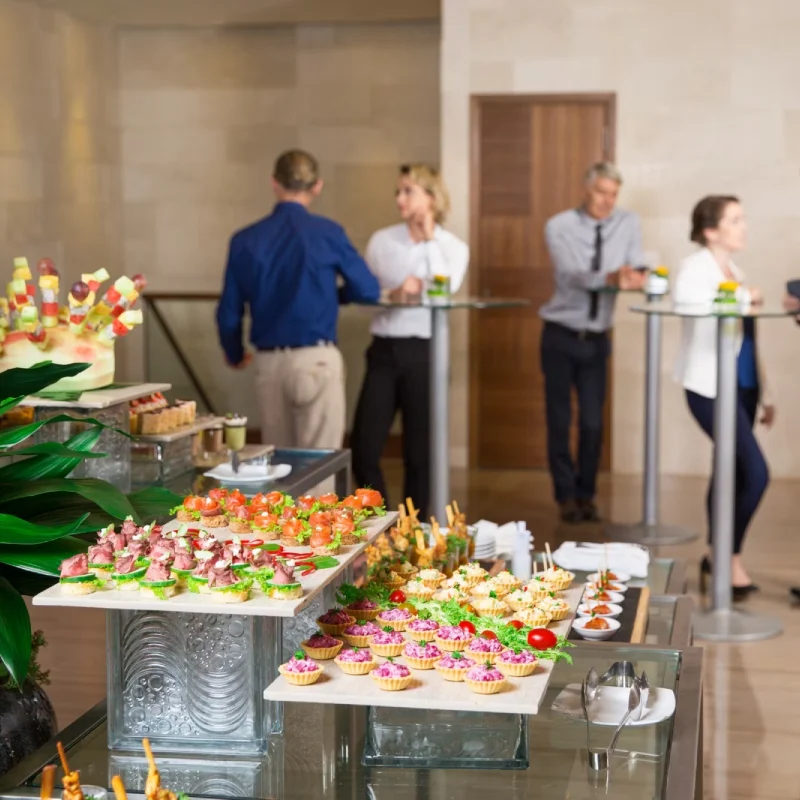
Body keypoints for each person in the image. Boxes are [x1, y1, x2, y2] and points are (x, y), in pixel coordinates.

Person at [216, 149, 380, 449]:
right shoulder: (328, 233)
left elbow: (229, 311)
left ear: (274, 183)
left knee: (279, 466)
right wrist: (334, 296)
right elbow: (368, 289)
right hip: (317, 359)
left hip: (269, 363)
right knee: (320, 466)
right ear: (317, 186)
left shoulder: (245, 239)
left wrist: (235, 352)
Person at [350, 164, 469, 517]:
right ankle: (380, 525)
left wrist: (430, 239)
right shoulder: (382, 240)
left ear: (430, 197)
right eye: (398, 191)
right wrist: (394, 293)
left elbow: (445, 290)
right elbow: (366, 294)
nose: (399, 198)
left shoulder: (452, 247)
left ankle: (413, 531)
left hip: (426, 352)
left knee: (421, 454)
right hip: (384, 351)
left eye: (408, 191)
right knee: (364, 447)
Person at [673, 195, 773, 600]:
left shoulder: (735, 269)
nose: (743, 226)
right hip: (709, 388)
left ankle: (718, 556)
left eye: (743, 218)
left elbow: (749, 341)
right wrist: (746, 298)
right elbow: (689, 304)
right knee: (756, 473)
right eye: (735, 220)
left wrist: (767, 393)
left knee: (729, 470)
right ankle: (726, 556)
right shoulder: (693, 269)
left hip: (744, 386)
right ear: (710, 230)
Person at [540, 162, 646, 523]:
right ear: (586, 190)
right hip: (560, 334)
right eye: (602, 192)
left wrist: (638, 275)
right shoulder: (559, 226)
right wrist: (614, 277)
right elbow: (572, 275)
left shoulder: (627, 223)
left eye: (613, 194)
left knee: (592, 423)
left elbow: (636, 266)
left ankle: (586, 494)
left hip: (597, 339)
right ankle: (565, 496)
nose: (607, 201)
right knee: (558, 419)